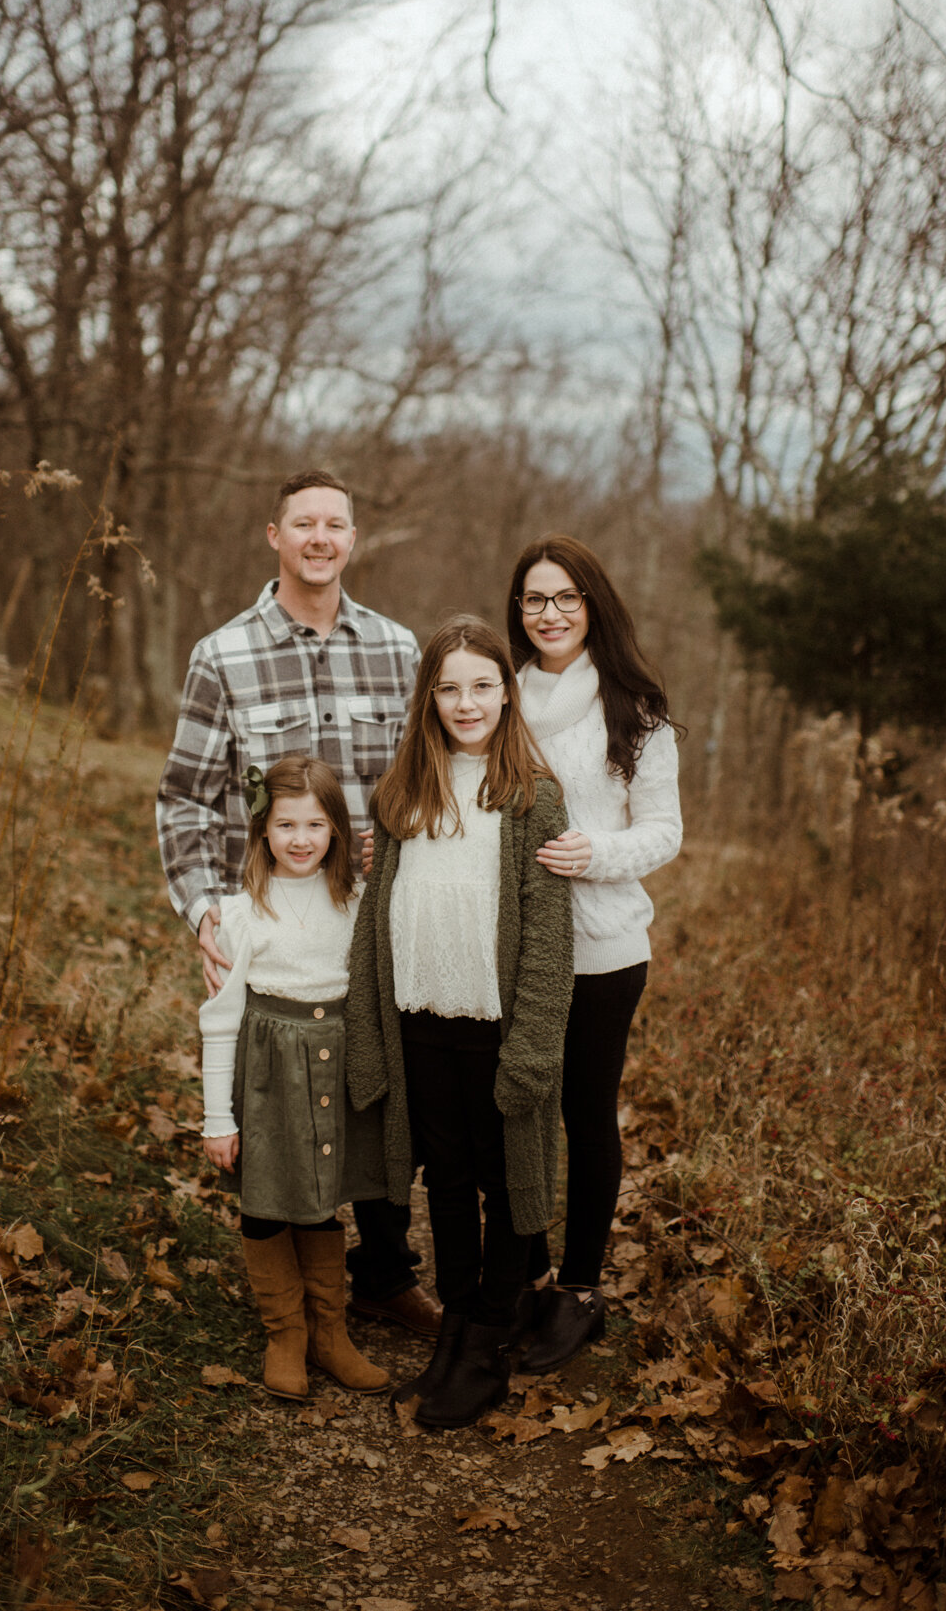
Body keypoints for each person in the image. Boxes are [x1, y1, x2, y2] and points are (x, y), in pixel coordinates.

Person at [156, 469, 440, 1337]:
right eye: (303, 523)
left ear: (353, 540)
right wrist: (206, 913)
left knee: (378, 1088)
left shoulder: (397, 651)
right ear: (273, 535)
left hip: (375, 922)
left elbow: (425, 782)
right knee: (279, 1083)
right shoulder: (224, 654)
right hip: (273, 925)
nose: (320, 538)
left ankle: (384, 1275)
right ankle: (286, 1294)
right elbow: (185, 798)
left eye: (336, 525)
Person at [345, 616, 574, 1430]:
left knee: (507, 1183)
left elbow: (547, 940)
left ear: (506, 695)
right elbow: (379, 919)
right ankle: (456, 1327)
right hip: (419, 1019)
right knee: (443, 1179)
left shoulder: (530, 798)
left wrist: (534, 1047)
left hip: (496, 1027)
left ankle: (488, 1339)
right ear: (428, 698)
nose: (465, 702)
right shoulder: (404, 793)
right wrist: (369, 1023)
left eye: (482, 685)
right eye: (448, 688)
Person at [507, 534, 683, 1371]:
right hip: (508, 950)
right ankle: (521, 1272)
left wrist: (596, 853)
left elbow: (663, 830)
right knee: (517, 1110)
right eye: (535, 600)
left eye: (565, 598)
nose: (549, 614)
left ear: (592, 606)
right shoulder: (494, 697)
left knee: (584, 1111)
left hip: (602, 947)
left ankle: (579, 1290)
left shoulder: (631, 709)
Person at [200, 754, 390, 1401]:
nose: (300, 839)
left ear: (337, 829)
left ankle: (329, 1334)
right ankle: (285, 1334)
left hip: (333, 1062)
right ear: (261, 832)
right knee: (266, 1200)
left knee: (319, 1199)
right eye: (285, 825)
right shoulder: (239, 913)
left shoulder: (357, 902)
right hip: (267, 1070)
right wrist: (216, 1119)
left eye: (315, 824)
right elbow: (220, 1019)